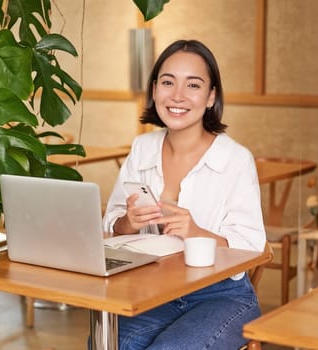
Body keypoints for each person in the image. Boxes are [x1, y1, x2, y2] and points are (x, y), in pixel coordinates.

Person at [102, 39, 266, 349]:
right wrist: (129, 221)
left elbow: (251, 249)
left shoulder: (235, 159)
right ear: (154, 90)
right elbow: (112, 226)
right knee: (108, 344)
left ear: (210, 96)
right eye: (167, 82)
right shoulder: (142, 148)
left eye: (193, 85)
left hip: (222, 297)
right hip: (153, 293)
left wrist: (195, 233)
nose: (177, 96)